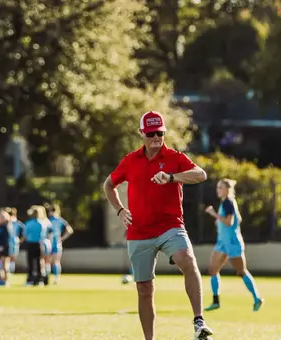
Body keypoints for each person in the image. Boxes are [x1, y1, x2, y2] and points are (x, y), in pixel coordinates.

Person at [102, 111, 213, 340]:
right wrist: (120, 210)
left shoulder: (174, 157)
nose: (155, 137)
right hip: (139, 232)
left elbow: (200, 174)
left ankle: (199, 322)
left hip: (170, 227)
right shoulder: (130, 160)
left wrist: (172, 177)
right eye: (151, 133)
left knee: (188, 259)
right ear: (141, 133)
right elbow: (109, 184)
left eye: (159, 133)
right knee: (145, 290)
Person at [203, 179, 263, 311]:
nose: (217, 190)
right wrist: (219, 222)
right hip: (222, 243)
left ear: (227, 190)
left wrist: (214, 214)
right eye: (218, 187)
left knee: (241, 272)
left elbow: (230, 222)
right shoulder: (226, 203)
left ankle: (257, 298)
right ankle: (216, 301)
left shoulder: (228, 203)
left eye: (220, 187)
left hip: (232, 243)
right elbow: (238, 220)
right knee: (213, 269)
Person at [23, 205, 50, 286]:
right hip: (40, 244)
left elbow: (25, 234)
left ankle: (31, 278)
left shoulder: (28, 223)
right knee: (39, 261)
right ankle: (40, 278)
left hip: (31, 244)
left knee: (30, 262)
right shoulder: (43, 223)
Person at [47, 203, 74, 284]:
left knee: (48, 261)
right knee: (55, 262)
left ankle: (48, 277)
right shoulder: (60, 220)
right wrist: (62, 238)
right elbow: (70, 230)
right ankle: (56, 278)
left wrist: (62, 238)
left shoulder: (48, 220)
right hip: (57, 243)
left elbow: (69, 230)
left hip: (49, 243)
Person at [6, 207, 24, 275]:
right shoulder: (6, 223)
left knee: (12, 258)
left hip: (14, 242)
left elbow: (24, 233)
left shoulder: (18, 223)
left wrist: (20, 240)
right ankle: (7, 271)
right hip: (7, 242)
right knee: (7, 257)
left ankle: (11, 271)